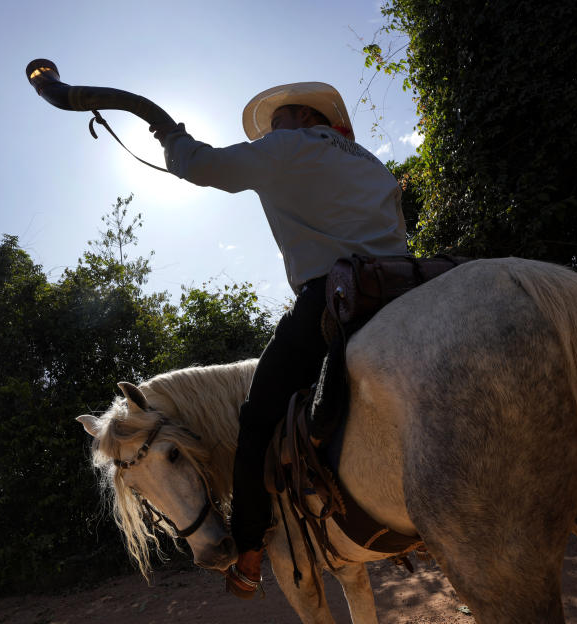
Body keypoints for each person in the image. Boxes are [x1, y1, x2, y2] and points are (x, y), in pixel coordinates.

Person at [151, 81, 408, 599]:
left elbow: (207, 167)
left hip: (334, 299)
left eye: (276, 122)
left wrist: (170, 137)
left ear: (299, 116)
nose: (271, 132)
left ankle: (247, 550)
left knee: (256, 422)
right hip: (404, 288)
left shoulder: (290, 147)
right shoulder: (372, 164)